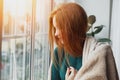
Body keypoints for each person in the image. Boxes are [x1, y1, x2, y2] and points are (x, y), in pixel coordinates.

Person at [48, 2, 119, 80]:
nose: (56, 33)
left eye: (60, 28)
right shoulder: (58, 53)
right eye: (55, 28)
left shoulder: (99, 52)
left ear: (73, 27)